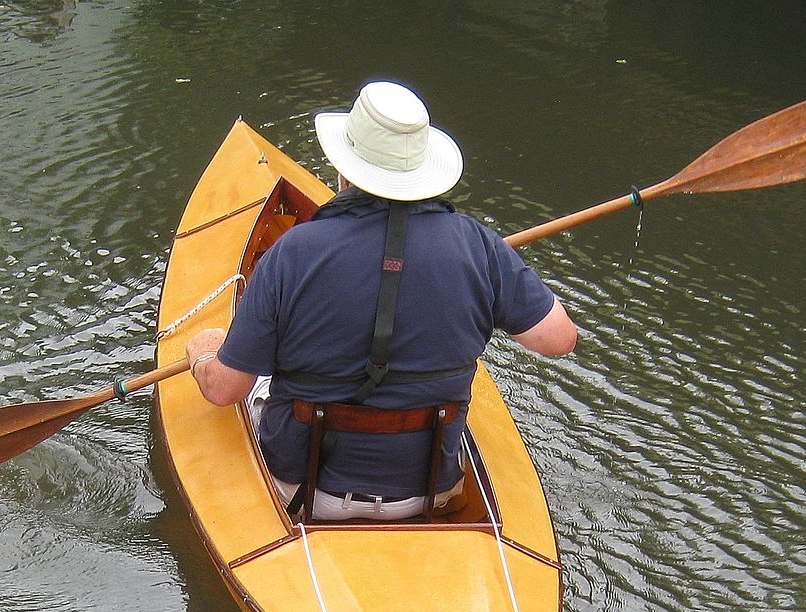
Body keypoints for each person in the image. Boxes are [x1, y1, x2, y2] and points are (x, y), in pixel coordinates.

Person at [186, 80, 578, 521]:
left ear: (345, 169)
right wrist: (496, 272)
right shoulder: (479, 246)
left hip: (304, 491)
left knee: (253, 380)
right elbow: (559, 339)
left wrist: (203, 357)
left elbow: (224, 390)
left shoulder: (294, 252)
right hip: (430, 492)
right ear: (421, 170)